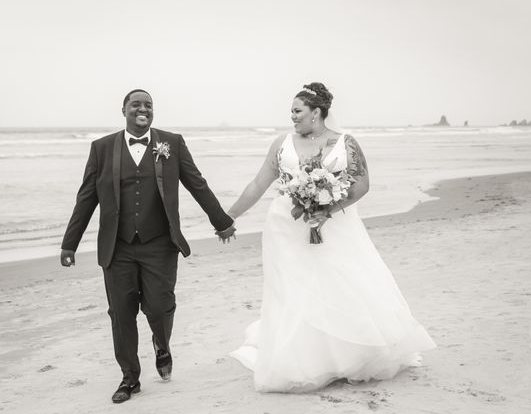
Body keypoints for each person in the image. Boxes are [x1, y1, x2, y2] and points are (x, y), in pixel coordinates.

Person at [228, 82, 436, 392]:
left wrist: (328, 209)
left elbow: (361, 185)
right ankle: (301, 358)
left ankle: (347, 355)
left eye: (297, 111)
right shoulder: (281, 144)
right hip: (285, 228)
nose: (293, 117)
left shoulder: (345, 143)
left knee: (339, 282)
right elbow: (258, 185)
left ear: (317, 112)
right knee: (292, 290)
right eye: (291, 112)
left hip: (335, 226)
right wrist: (228, 216)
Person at [59, 89, 236, 403]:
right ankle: (130, 378)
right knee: (121, 314)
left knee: (159, 306)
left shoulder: (173, 143)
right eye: (136, 104)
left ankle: (162, 342)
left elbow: (197, 183)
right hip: (118, 246)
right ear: (124, 110)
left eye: (148, 105)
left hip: (159, 244)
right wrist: (69, 243)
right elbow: (87, 196)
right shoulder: (101, 148)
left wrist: (221, 221)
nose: (143, 109)